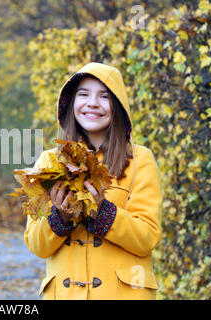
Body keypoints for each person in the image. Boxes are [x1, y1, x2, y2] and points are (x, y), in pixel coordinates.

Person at [24, 62, 163, 300]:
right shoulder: (48, 162)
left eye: (104, 96)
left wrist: (103, 212)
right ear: (71, 104)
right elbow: (37, 245)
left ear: (117, 106)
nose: (92, 103)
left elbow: (147, 238)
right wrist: (61, 216)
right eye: (83, 94)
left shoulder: (140, 160)